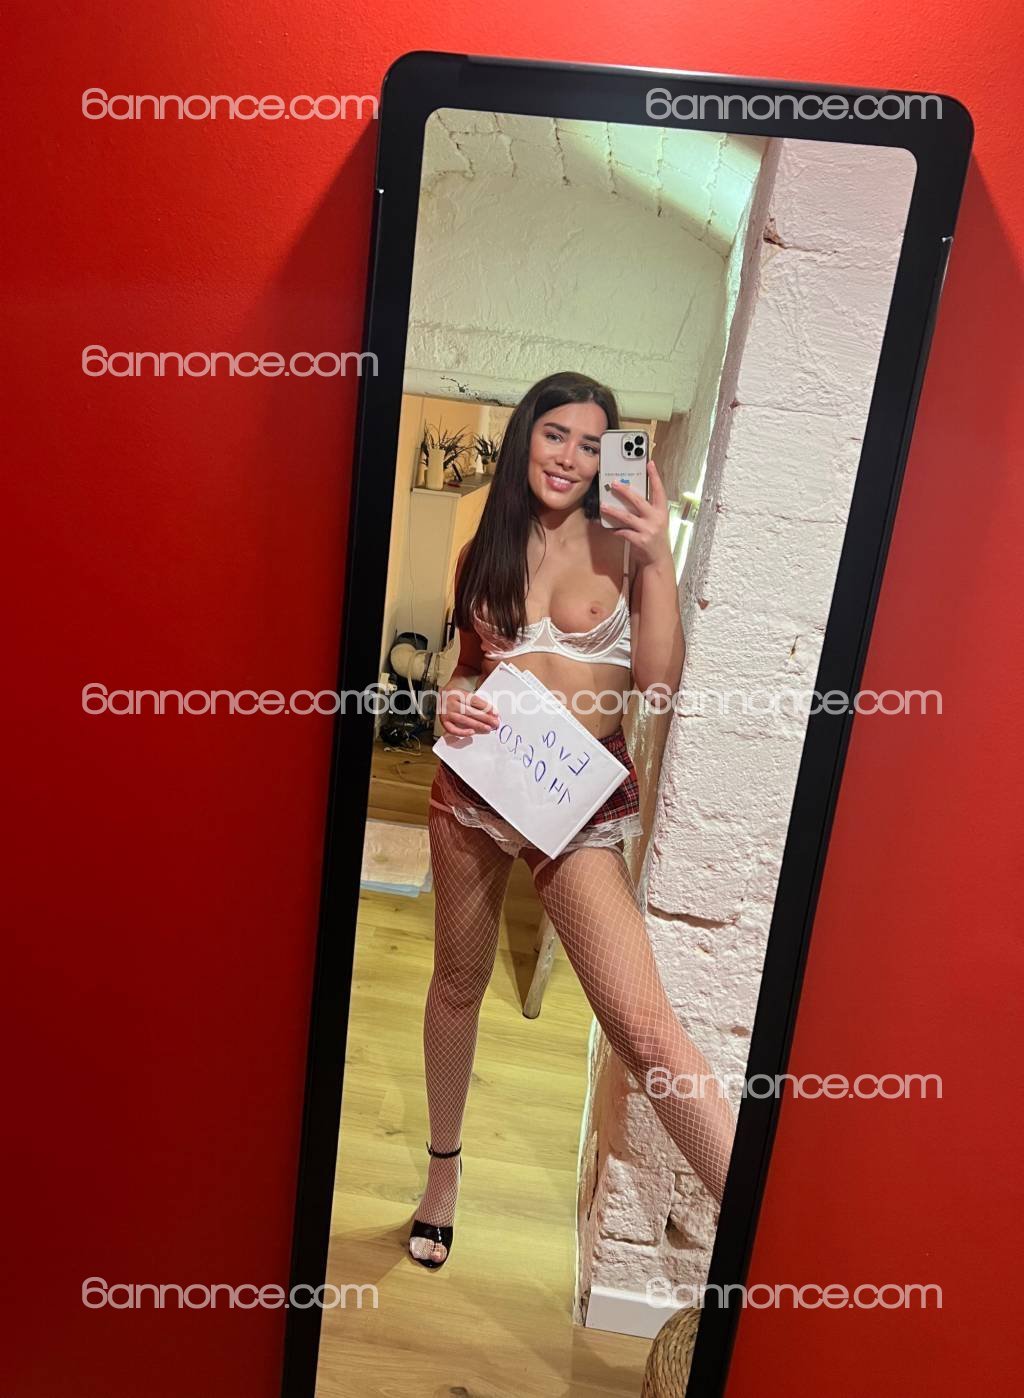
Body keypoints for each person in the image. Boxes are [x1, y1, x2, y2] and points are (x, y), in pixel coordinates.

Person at [408, 371, 737, 1268]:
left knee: (644, 1027)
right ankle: (442, 1172)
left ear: (610, 459)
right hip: (476, 793)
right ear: (527, 435)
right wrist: (449, 698)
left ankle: (767, 1228)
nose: (571, 457)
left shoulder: (626, 545)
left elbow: (658, 685)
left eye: (593, 444)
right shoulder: (486, 539)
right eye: (556, 434)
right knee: (457, 985)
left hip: (575, 809)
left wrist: (658, 556)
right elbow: (468, 667)